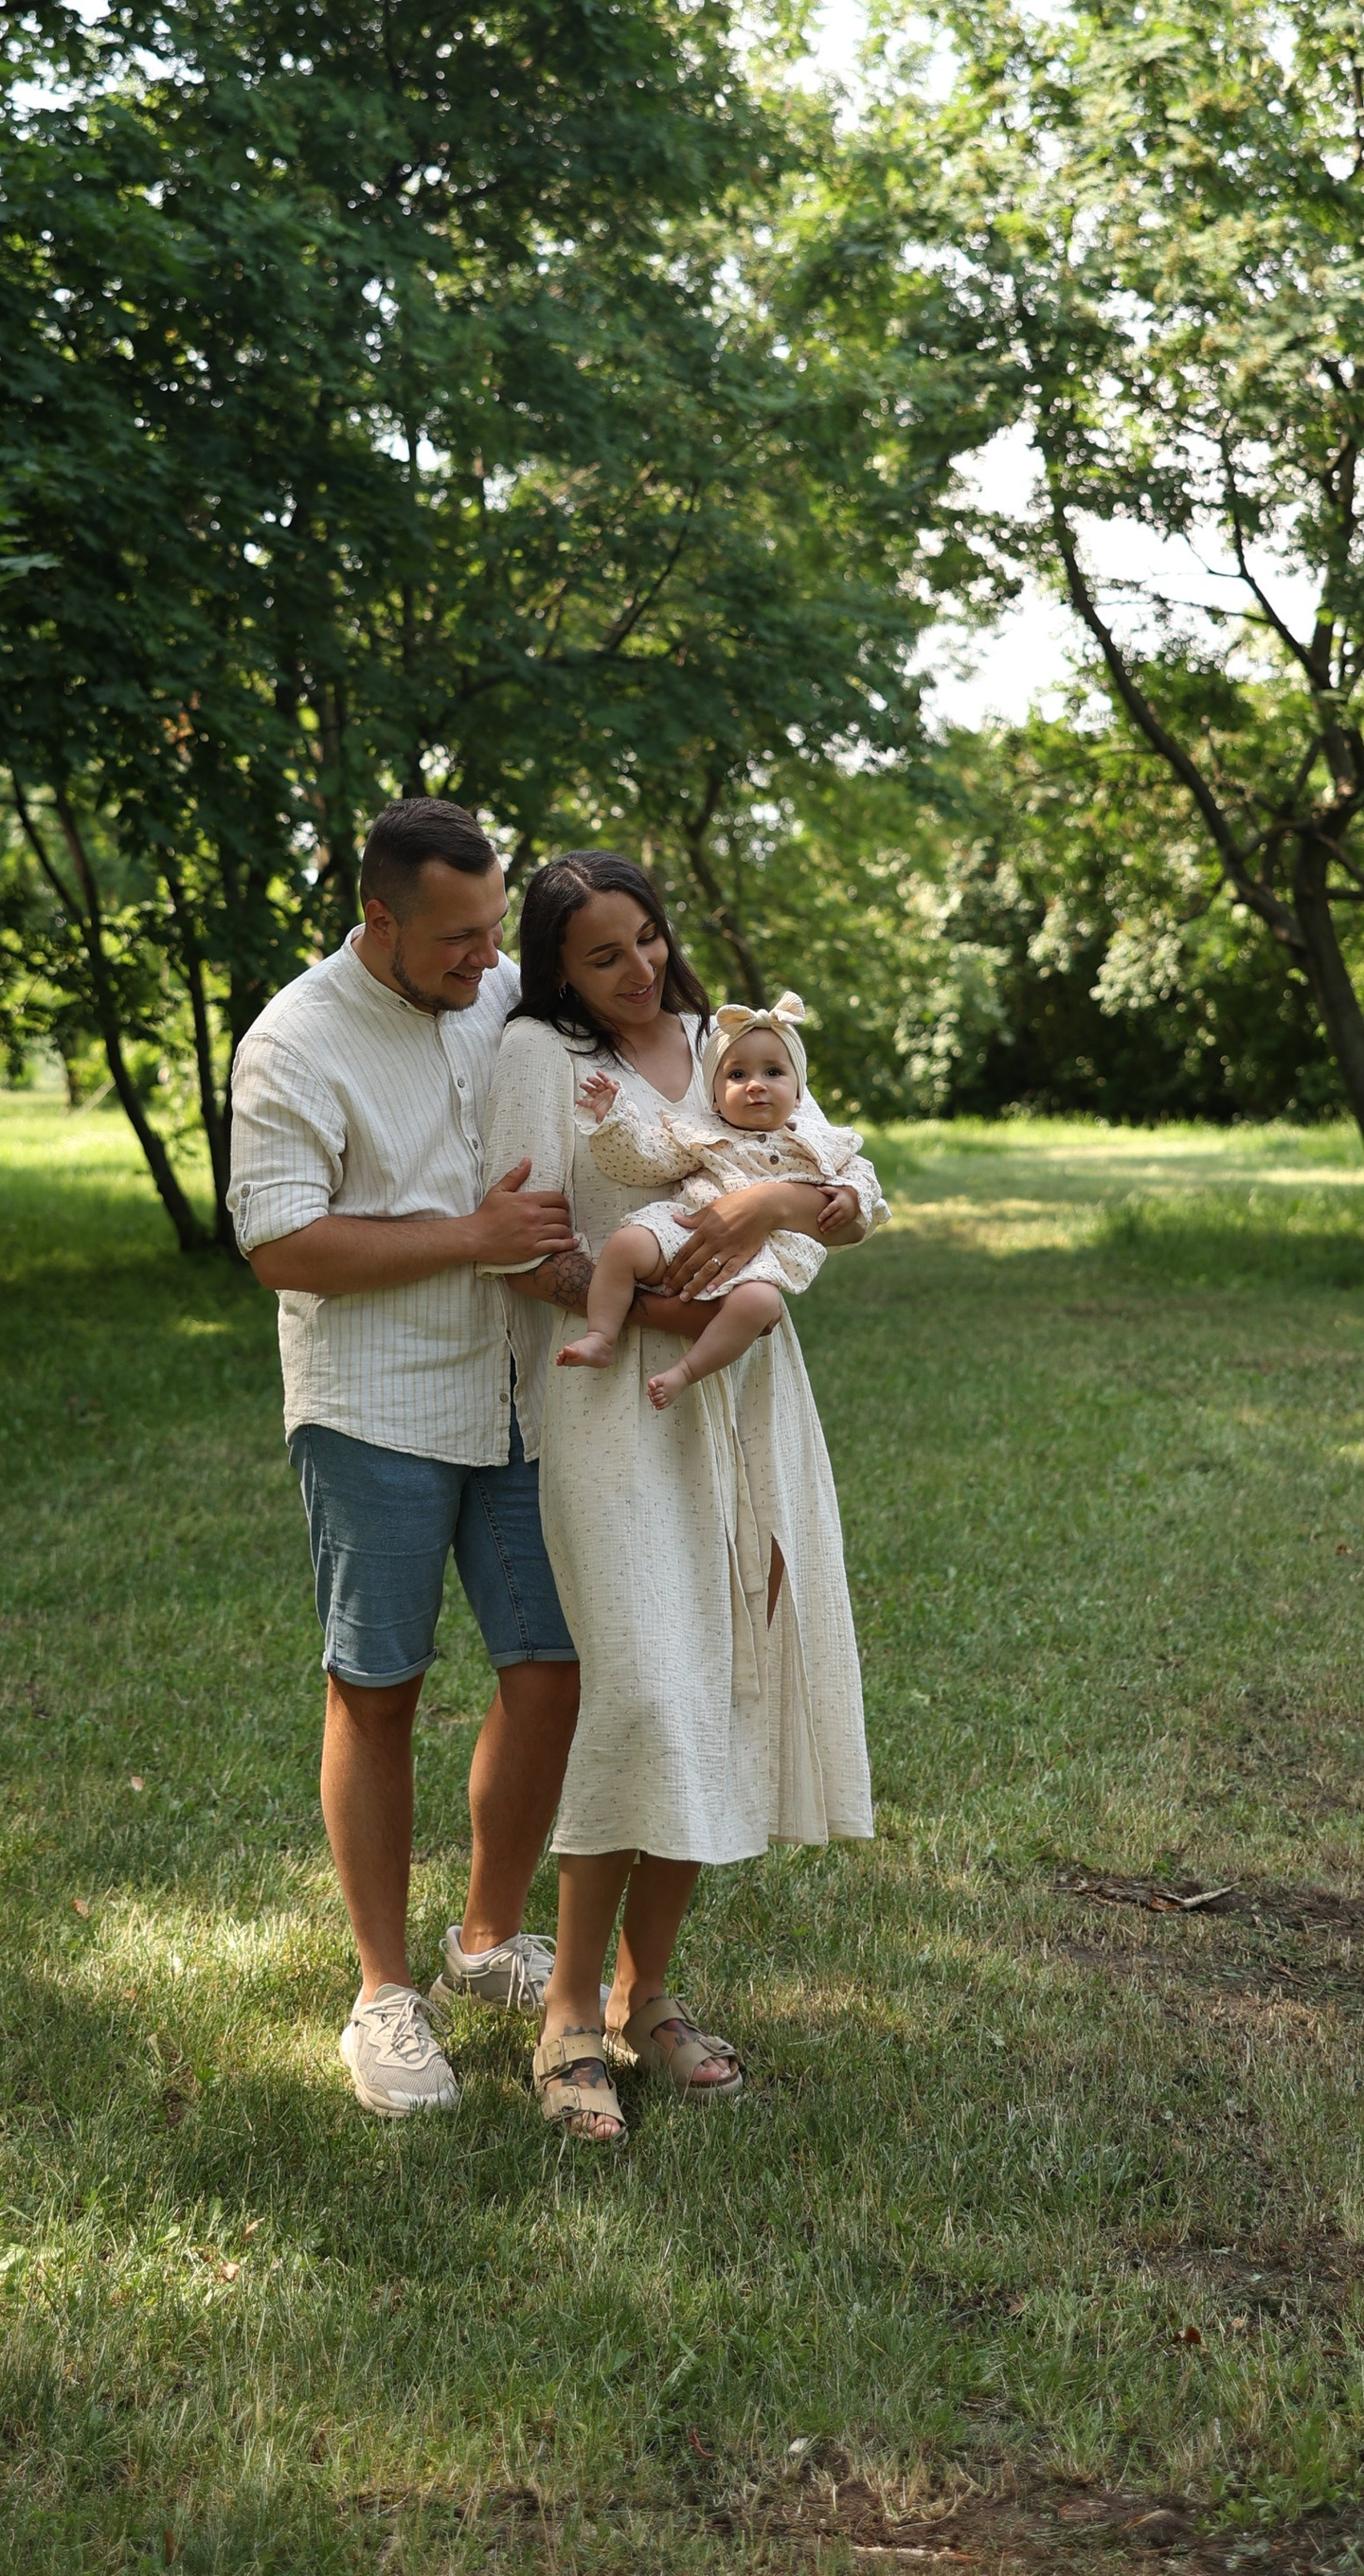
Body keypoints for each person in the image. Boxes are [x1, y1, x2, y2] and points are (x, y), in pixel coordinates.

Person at [479, 855, 881, 2145]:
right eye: (603, 955)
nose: (639, 969)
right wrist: (669, 1313)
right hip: (614, 1406)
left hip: (751, 1404)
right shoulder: (539, 1055)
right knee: (647, 1689)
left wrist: (779, 1197)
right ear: (555, 968)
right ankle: (567, 2016)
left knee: (721, 1683)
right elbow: (529, 1254)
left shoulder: (726, 1040)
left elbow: (854, 1195)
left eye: (647, 938)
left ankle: (648, 1995)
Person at [227, 800, 611, 2116]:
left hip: (517, 1397)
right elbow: (281, 1244)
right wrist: (471, 1236)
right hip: (373, 1408)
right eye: (457, 937)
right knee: (376, 1689)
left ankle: (486, 1940)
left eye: (494, 928)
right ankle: (385, 1992)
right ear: (377, 919)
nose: (487, 958)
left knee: (551, 1671)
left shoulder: (501, 990)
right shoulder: (293, 1041)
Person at [565, 994, 883, 1412]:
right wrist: (614, 1119)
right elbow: (643, 1161)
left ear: (799, 1093)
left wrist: (852, 1194)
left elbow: (862, 1173)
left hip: (765, 1253)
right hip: (689, 1229)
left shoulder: (820, 1141)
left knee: (760, 1304)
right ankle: (601, 1336)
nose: (756, 1085)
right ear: (713, 1098)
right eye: (736, 1075)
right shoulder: (701, 1133)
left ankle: (686, 1371)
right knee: (626, 1244)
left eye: (773, 1072)